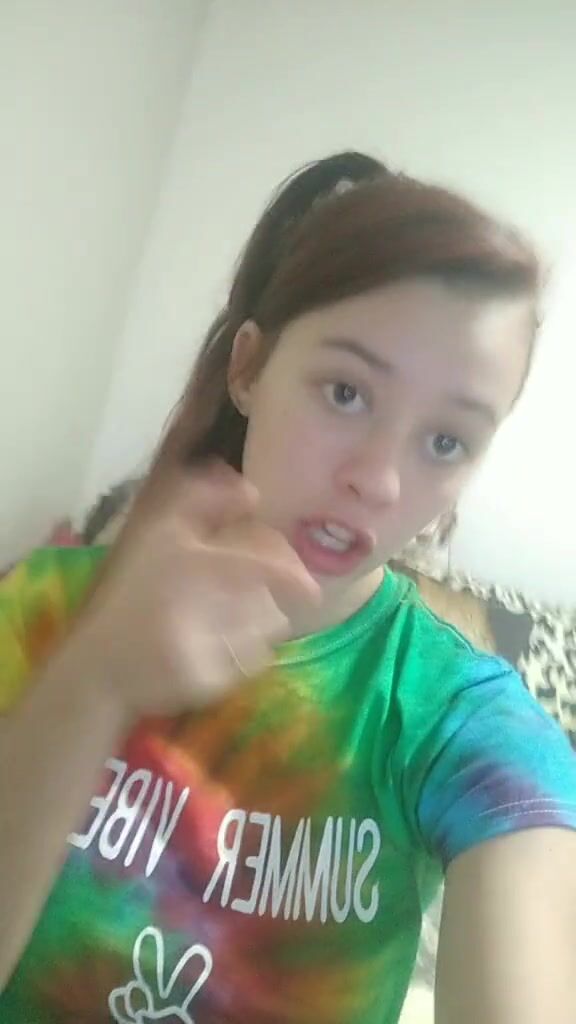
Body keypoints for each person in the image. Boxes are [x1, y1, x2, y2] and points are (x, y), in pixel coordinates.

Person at [1, 151, 575, 1024]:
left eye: (446, 441)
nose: (378, 479)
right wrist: (93, 681)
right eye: (346, 392)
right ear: (248, 369)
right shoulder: (46, 608)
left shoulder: (458, 721)